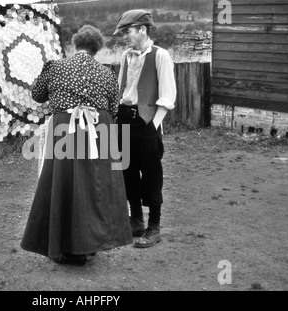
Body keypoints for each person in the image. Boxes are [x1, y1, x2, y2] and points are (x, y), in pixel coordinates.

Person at [20, 25, 133, 266]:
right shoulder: (107, 73)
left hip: (66, 128)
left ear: (75, 45)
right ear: (96, 49)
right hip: (99, 128)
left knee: (64, 183)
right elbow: (113, 109)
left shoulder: (56, 67)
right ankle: (88, 245)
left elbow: (38, 94)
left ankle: (64, 245)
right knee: (95, 186)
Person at [113, 10, 177, 248]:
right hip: (124, 121)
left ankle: (155, 226)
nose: (124, 37)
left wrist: (152, 125)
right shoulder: (125, 56)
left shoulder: (160, 56)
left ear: (142, 29)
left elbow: (168, 95)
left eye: (127, 31)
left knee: (151, 175)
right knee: (126, 172)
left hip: (147, 123)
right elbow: (122, 91)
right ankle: (136, 220)